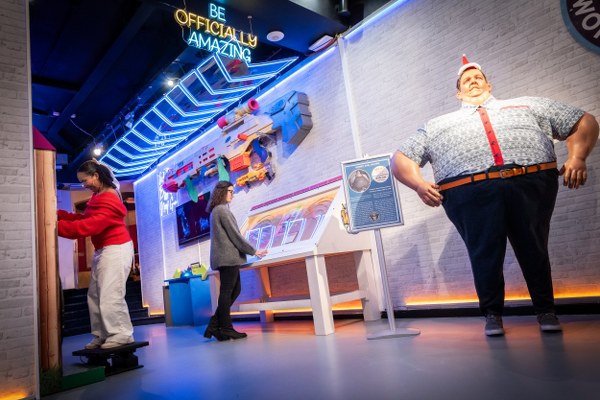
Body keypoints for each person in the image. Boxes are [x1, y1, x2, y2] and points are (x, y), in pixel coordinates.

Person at [391, 55, 599, 336]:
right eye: (466, 80)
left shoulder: (528, 105)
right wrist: (418, 184)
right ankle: (492, 315)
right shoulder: (436, 125)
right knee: (484, 253)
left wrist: (577, 157)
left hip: (530, 185)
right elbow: (401, 158)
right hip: (469, 193)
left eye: (478, 77)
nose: (473, 81)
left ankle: (546, 311)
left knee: (534, 247)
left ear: (488, 84)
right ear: (458, 93)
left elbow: (582, 120)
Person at [57, 159, 135, 349]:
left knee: (110, 294)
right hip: (104, 249)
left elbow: (89, 226)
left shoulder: (109, 198)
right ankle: (102, 334)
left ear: (96, 176)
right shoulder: (97, 195)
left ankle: (121, 334)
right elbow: (85, 218)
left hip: (116, 248)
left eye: (85, 181)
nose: (84, 185)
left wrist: (55, 226)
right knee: (94, 295)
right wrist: (58, 215)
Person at [204, 181, 268, 341]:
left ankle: (215, 326)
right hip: (228, 258)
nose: (232, 194)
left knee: (234, 290)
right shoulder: (222, 210)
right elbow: (235, 235)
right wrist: (254, 250)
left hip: (224, 257)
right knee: (227, 292)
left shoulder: (216, 210)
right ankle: (225, 328)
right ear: (222, 192)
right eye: (230, 191)